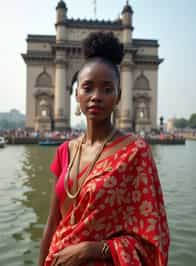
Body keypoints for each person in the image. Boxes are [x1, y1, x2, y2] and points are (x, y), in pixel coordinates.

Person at [39, 32, 170, 266]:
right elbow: (51, 224)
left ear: (118, 96)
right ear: (76, 93)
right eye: (87, 87)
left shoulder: (136, 153)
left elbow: (153, 239)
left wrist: (93, 249)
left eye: (107, 89)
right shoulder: (65, 151)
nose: (96, 97)